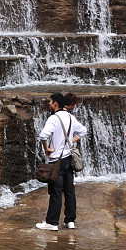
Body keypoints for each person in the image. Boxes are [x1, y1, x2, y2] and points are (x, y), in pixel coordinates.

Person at [36, 93, 87, 232]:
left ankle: (52, 222)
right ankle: (70, 221)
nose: (49, 103)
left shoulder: (53, 118)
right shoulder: (70, 117)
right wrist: (71, 141)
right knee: (69, 190)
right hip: (68, 158)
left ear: (56, 103)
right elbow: (83, 131)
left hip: (56, 160)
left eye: (50, 101)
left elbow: (43, 135)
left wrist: (46, 147)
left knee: (56, 192)